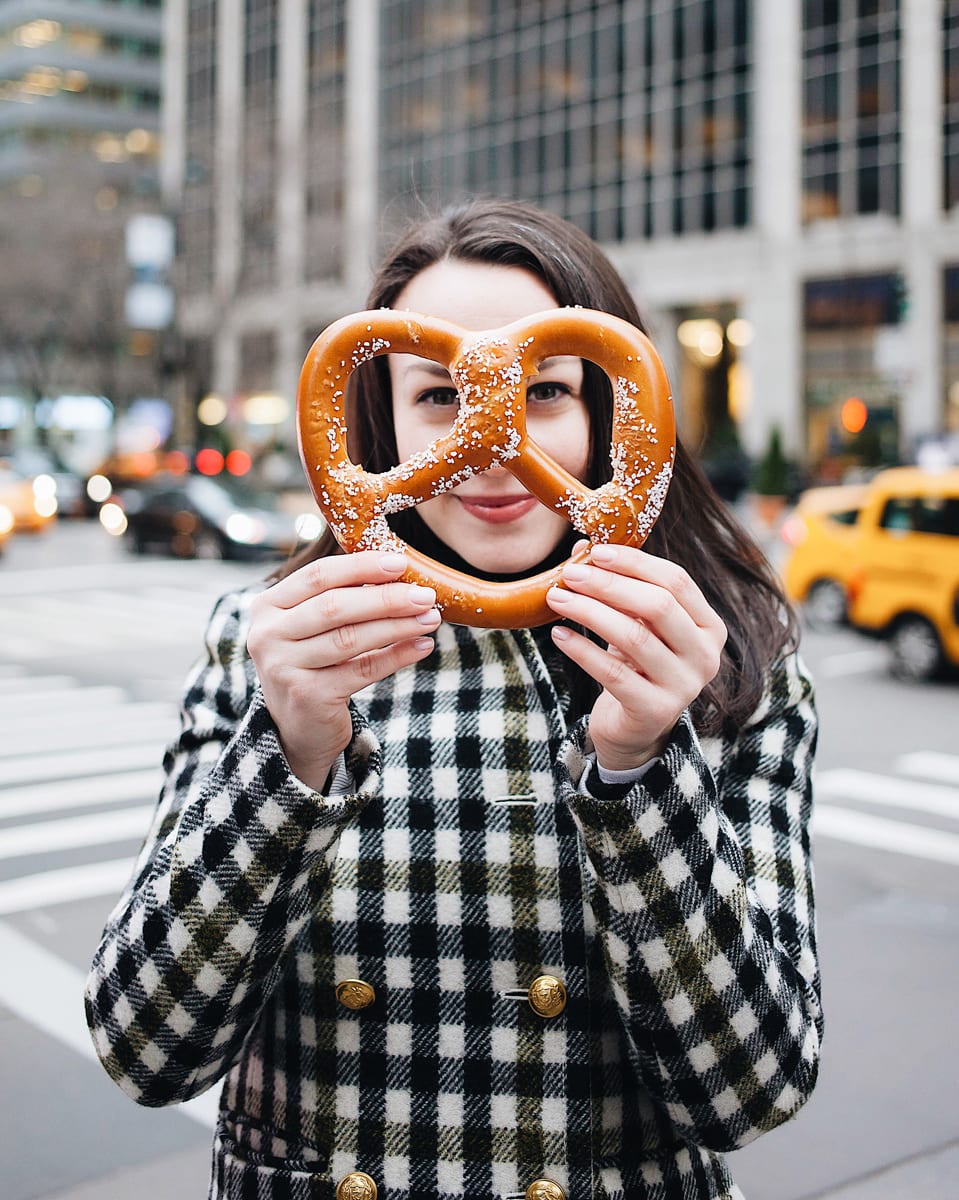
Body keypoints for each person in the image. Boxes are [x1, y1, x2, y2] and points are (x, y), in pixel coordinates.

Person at [85, 198, 822, 1200]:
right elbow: (144, 1051)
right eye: (440, 398)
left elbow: (752, 1091)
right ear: (376, 419)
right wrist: (292, 748)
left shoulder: (728, 660)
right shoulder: (267, 644)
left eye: (546, 390)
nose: (488, 442)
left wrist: (640, 766)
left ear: (612, 409)